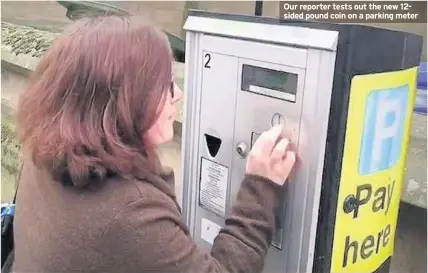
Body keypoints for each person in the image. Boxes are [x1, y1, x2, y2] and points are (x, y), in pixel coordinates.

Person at [12, 15, 297, 273]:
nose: (179, 95)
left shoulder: (44, 154)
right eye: (167, 85)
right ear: (125, 102)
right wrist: (262, 184)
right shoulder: (131, 214)